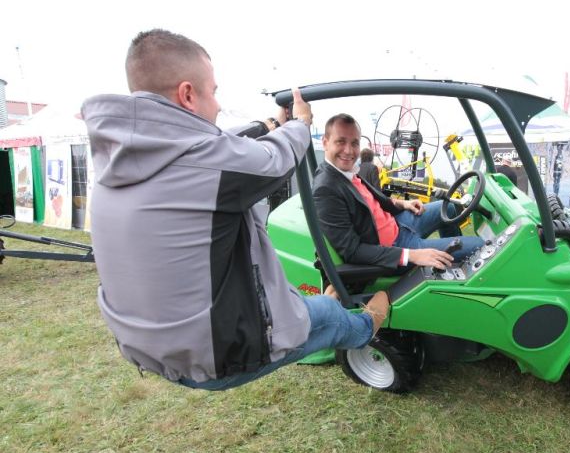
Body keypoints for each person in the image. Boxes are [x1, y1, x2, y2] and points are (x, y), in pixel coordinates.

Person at [81, 29, 389, 390]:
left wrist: (268, 124)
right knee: (333, 316)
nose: (218, 104)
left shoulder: (115, 162)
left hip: (148, 348)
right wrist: (301, 124)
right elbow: (274, 158)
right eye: (213, 92)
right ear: (187, 94)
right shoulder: (207, 167)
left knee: (306, 305)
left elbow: (215, 146)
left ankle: (310, 309)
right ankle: (367, 327)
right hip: (217, 355)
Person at [313, 113, 484, 271]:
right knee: (480, 246)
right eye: (340, 142)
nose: (349, 151)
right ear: (325, 142)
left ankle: (453, 269)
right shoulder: (326, 189)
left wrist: (403, 203)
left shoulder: (347, 172)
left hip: (400, 223)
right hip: (397, 246)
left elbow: (376, 201)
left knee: (449, 208)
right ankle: (454, 260)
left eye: (354, 143)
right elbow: (353, 251)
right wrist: (412, 255)